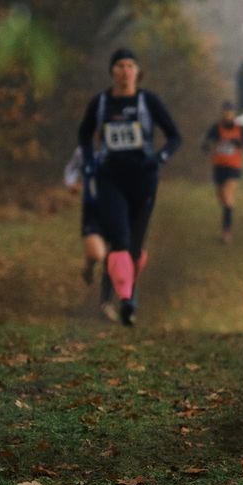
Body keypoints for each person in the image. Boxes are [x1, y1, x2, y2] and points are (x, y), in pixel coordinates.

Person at [76, 48, 182, 327]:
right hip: (110, 179)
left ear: (138, 71)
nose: (124, 71)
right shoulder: (100, 103)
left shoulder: (148, 101)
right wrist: (88, 163)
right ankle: (123, 300)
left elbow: (174, 136)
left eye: (130, 66)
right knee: (119, 239)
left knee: (134, 246)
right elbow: (83, 134)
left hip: (144, 180)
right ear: (112, 72)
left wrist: (158, 158)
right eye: (119, 66)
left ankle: (126, 298)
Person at [64, 146, 109, 308]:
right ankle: (89, 268)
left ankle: (106, 300)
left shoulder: (118, 148)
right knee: (100, 255)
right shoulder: (83, 150)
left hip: (116, 208)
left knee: (111, 256)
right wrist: (71, 184)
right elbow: (71, 168)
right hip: (92, 209)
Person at [202, 102, 243, 243]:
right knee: (222, 199)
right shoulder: (216, 128)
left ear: (234, 114)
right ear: (222, 113)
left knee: (227, 194)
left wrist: (241, 144)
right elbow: (206, 142)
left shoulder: (241, 129)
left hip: (234, 167)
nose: (227, 115)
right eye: (225, 112)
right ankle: (228, 213)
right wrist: (207, 146)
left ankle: (226, 230)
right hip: (218, 167)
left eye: (230, 112)